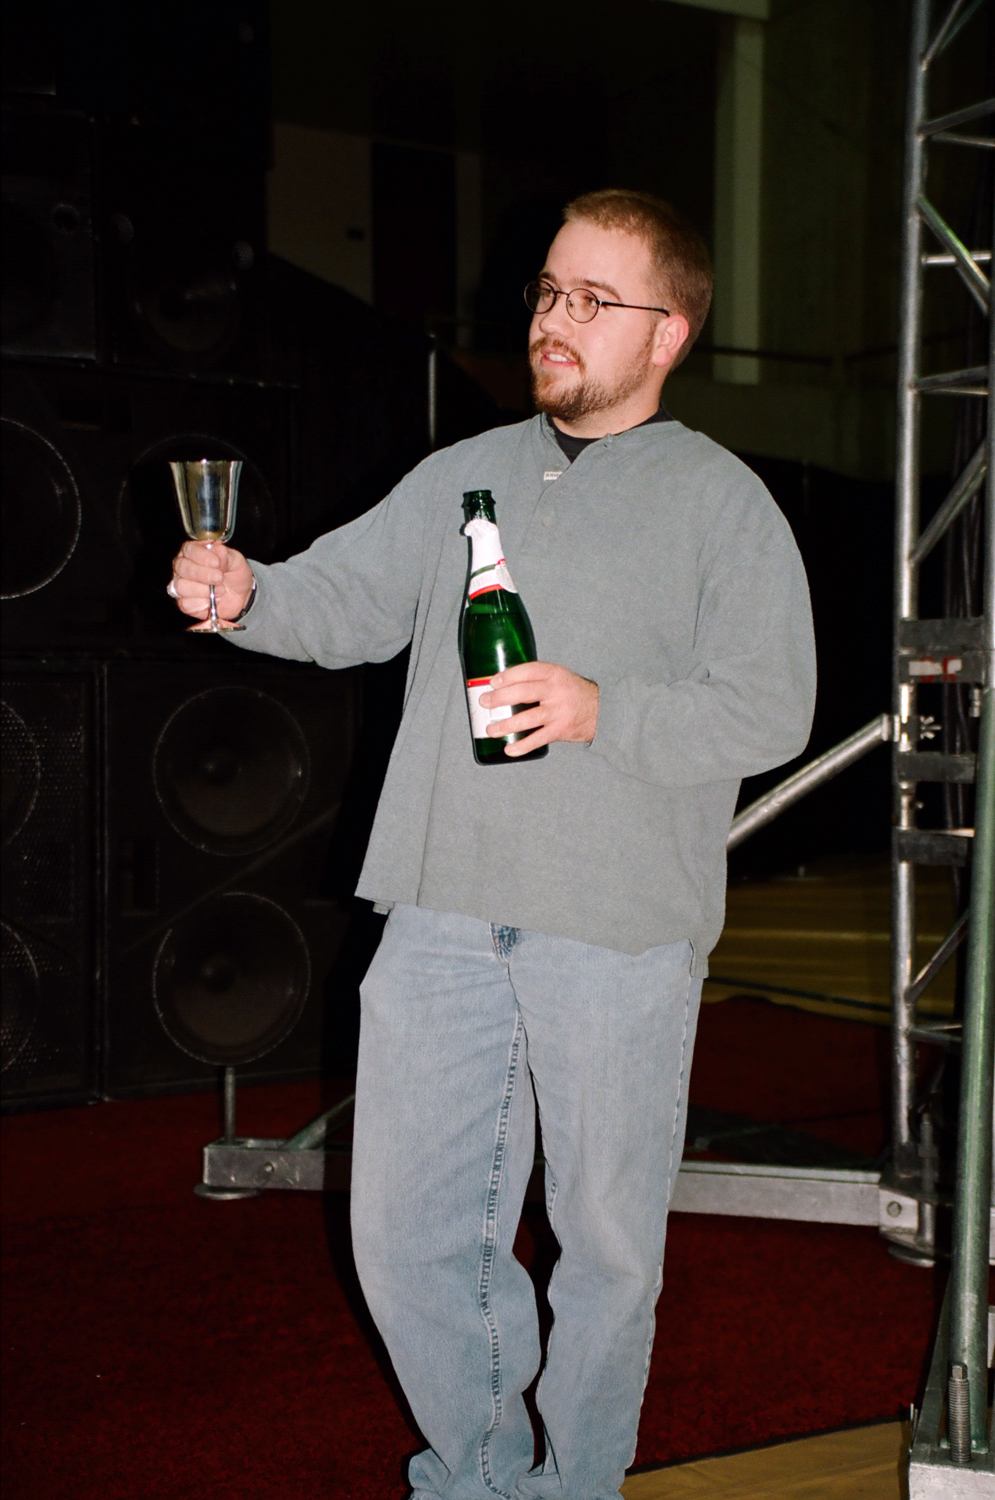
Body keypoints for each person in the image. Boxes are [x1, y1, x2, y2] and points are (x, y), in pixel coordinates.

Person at [169, 189, 816, 1500]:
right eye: (548, 293)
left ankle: (575, 1487)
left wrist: (600, 709)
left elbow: (772, 708)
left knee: (605, 1252)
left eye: (594, 300)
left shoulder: (723, 502)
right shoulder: (462, 477)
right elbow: (339, 599)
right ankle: (473, 1478)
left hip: (617, 924)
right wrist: (248, 594)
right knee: (410, 1232)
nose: (555, 320)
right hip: (442, 906)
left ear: (670, 333)